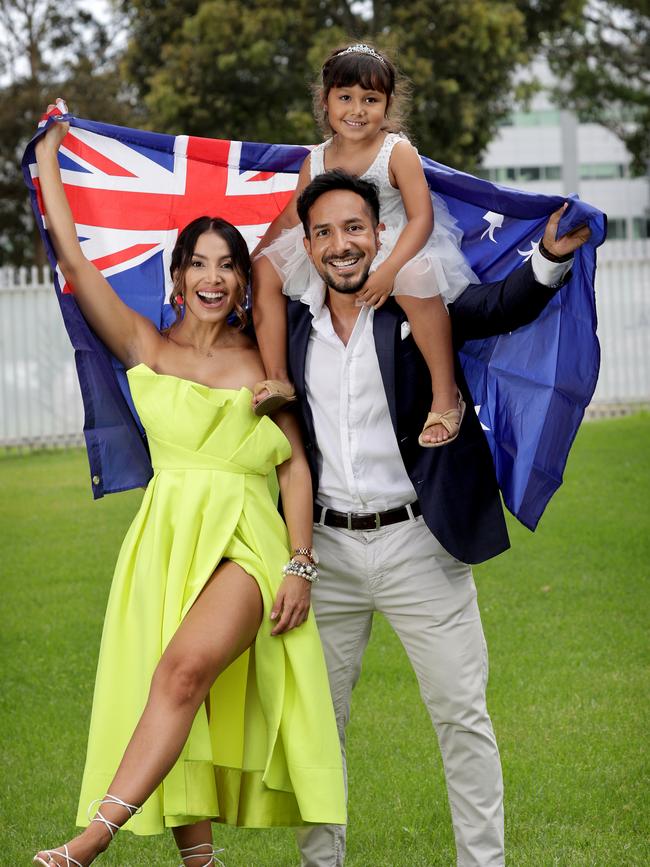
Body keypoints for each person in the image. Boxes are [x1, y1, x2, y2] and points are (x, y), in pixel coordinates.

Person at [32, 105, 345, 867]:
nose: (213, 276)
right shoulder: (146, 346)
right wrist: (47, 155)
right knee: (176, 690)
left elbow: (292, 464)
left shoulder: (261, 359)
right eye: (199, 263)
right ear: (177, 278)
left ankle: (89, 842)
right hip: (167, 536)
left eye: (227, 264)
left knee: (182, 669)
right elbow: (74, 262)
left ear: (242, 280)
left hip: (246, 536)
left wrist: (300, 562)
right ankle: (200, 863)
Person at [284, 169, 590, 867]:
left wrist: (550, 256)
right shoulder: (289, 323)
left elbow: (497, 308)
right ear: (307, 243)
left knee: (462, 716)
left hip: (421, 543)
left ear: (379, 233)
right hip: (324, 553)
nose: (341, 244)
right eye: (325, 231)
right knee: (315, 727)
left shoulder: (414, 303)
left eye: (354, 227)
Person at [253, 42, 478, 446]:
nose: (357, 110)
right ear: (326, 102)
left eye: (370, 99)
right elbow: (291, 218)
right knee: (265, 269)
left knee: (418, 275)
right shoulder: (316, 160)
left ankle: (445, 395)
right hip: (338, 248)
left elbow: (422, 218)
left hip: (394, 245)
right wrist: (257, 256)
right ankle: (278, 377)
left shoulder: (397, 151)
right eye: (346, 98)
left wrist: (389, 271)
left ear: (387, 104)